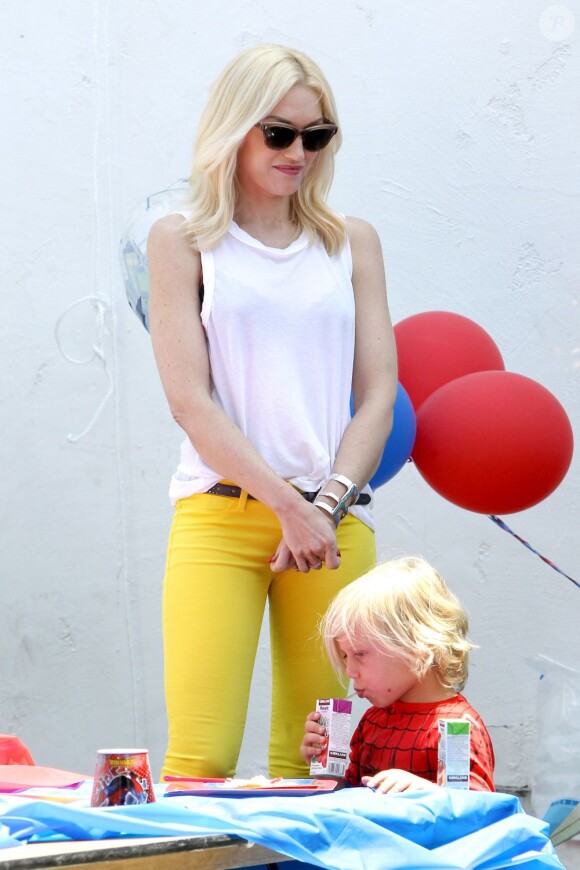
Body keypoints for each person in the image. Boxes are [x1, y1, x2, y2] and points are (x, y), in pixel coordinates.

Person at [147, 44, 397, 779]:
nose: (299, 152)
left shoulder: (351, 242)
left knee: (322, 762)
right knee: (201, 758)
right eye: (278, 133)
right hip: (220, 517)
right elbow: (188, 401)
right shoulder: (185, 241)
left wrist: (323, 506)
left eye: (316, 136)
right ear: (236, 128)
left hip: (334, 524)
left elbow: (379, 392)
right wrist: (290, 507)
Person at [300, 556, 495, 792]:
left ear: (417, 645)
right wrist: (327, 768)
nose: (350, 671)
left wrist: (425, 790)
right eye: (345, 657)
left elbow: (482, 812)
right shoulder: (372, 722)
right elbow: (352, 798)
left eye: (360, 653)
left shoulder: (457, 726)